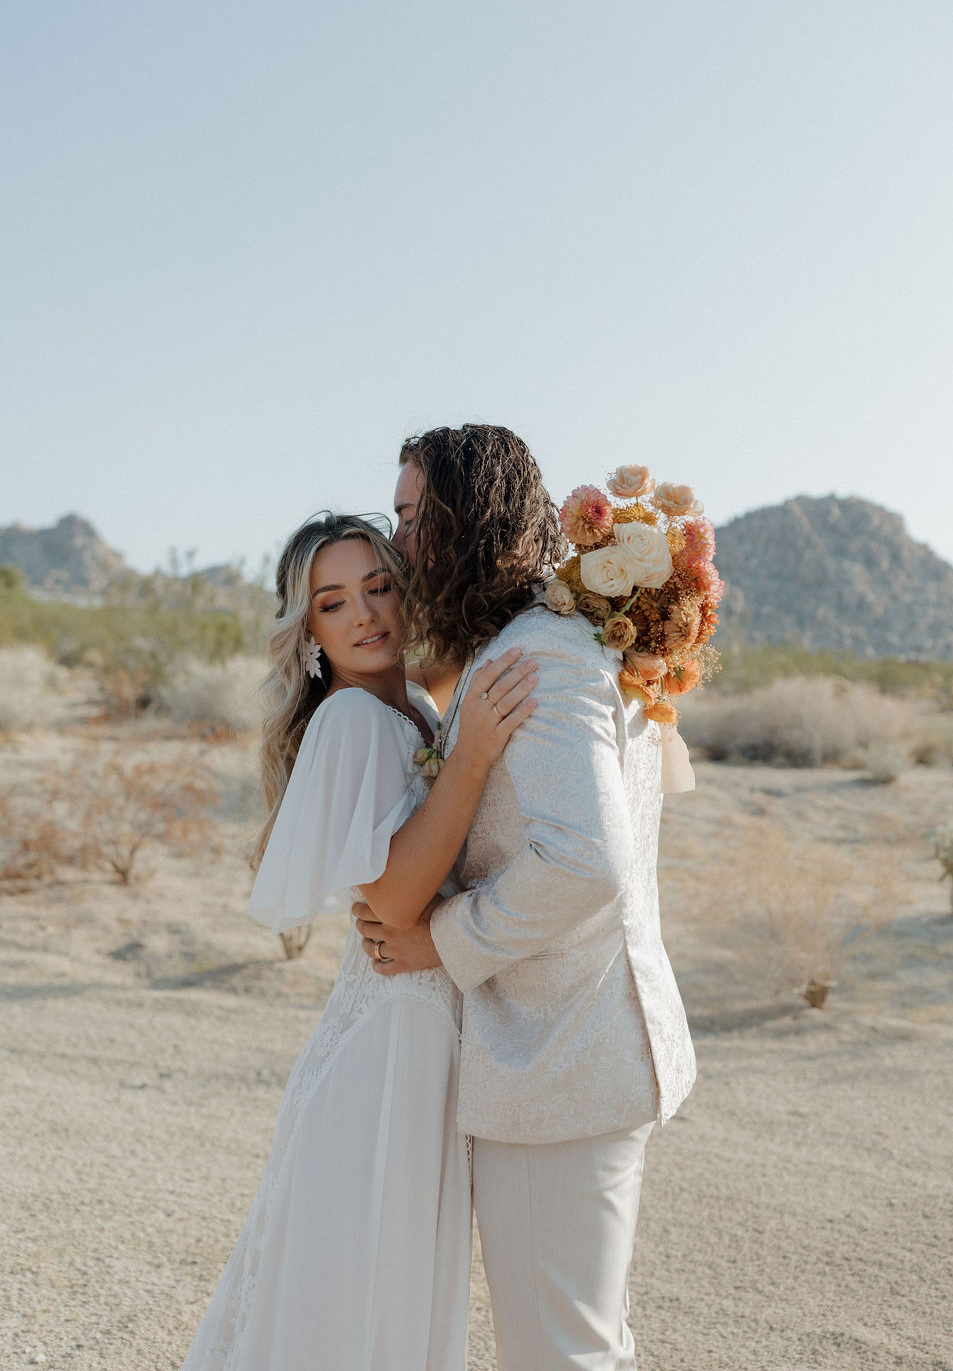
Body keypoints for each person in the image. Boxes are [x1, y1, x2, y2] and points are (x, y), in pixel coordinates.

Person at [353, 426, 697, 1371]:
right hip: (567, 1050)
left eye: (417, 519)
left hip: (566, 1057)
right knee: (585, 1342)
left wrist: (444, 941)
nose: (401, 543)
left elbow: (588, 861)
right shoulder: (540, 643)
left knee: (559, 1354)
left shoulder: (539, 654)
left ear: (470, 524)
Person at [181, 512, 537, 1371]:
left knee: (389, 1295)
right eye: (334, 603)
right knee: (352, 1296)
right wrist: (474, 756)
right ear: (308, 633)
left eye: (380, 587)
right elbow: (395, 897)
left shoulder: (411, 708)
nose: (367, 615)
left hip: (420, 1043)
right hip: (382, 1057)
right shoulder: (348, 723)